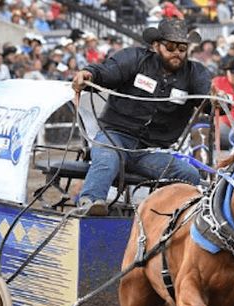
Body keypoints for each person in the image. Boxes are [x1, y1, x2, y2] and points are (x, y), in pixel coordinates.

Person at [71, 19, 213, 216]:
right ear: (156, 46)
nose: (177, 53)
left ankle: (179, 217)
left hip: (152, 151)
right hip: (115, 137)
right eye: (170, 47)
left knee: (188, 174)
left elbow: (209, 101)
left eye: (182, 48)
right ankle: (90, 202)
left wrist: (219, 102)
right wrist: (89, 74)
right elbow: (106, 72)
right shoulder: (134, 58)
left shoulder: (195, 73)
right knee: (107, 159)